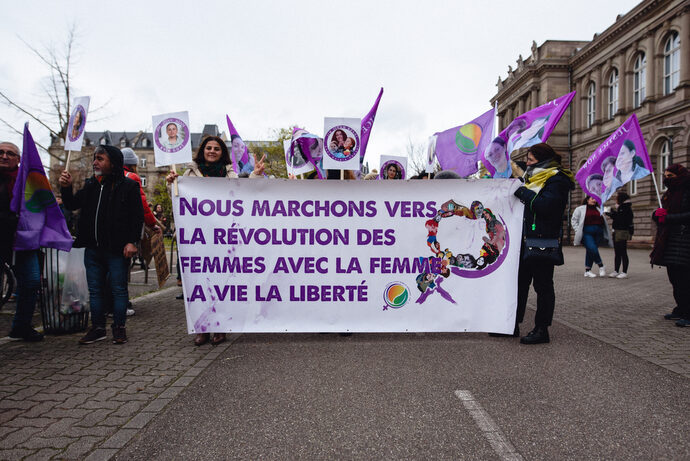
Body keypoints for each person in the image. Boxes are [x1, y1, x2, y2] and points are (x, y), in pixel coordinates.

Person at [166, 135, 265, 345]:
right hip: (198, 239)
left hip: (223, 239)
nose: (212, 151)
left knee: (221, 284)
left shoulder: (230, 174)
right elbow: (178, 201)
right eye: (208, 148)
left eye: (216, 149)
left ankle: (220, 327)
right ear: (202, 150)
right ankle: (202, 327)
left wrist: (255, 175)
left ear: (222, 153)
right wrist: (171, 185)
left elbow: (244, 194)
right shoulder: (189, 173)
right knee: (200, 284)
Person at [59, 145, 144, 345]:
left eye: (100, 159)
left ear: (113, 163)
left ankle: (119, 327)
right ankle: (98, 328)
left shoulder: (129, 186)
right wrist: (66, 186)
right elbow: (71, 204)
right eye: (95, 159)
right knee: (95, 291)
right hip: (93, 249)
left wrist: (132, 242)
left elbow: (137, 217)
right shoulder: (91, 185)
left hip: (117, 249)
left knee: (118, 290)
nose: (95, 162)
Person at [512, 143, 575, 344]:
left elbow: (545, 206)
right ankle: (512, 324)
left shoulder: (557, 179)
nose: (527, 163)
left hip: (542, 240)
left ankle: (542, 329)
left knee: (543, 286)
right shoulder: (532, 178)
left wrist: (522, 191)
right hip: (524, 240)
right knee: (519, 285)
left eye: (530, 160)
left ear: (542, 159)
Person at [0, 141, 43, 342]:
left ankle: (21, 327)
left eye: (10, 153)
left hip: (24, 240)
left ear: (18, 159)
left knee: (32, 281)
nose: (4, 156)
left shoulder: (26, 181)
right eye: (1, 152)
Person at [122, 148, 162, 316]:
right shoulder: (132, 178)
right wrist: (153, 224)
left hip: (107, 231)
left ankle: (108, 304)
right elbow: (143, 206)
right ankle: (121, 303)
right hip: (127, 229)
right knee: (122, 269)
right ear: (133, 165)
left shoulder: (106, 177)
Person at [650, 164, 690, 327]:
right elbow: (662, 212)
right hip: (670, 240)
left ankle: (688, 312)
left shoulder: (687, 190)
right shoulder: (670, 193)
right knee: (674, 278)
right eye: (665, 175)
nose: (667, 179)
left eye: (670, 176)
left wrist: (668, 218)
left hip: (685, 240)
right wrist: (656, 214)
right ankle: (681, 308)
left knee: (684, 279)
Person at [572, 195, 613, 277]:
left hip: (598, 233)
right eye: (592, 199)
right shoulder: (580, 209)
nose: (594, 200)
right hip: (587, 233)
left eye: (595, 199)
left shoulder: (599, 209)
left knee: (590, 250)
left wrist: (609, 211)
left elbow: (605, 219)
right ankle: (601, 266)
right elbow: (574, 220)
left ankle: (587, 270)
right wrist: (577, 230)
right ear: (587, 200)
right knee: (592, 248)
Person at [605, 191, 634, 278]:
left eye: (617, 197)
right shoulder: (621, 208)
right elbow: (618, 217)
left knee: (622, 252)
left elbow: (621, 220)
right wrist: (612, 213)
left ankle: (624, 272)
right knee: (617, 252)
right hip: (617, 231)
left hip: (622, 232)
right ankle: (616, 270)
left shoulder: (626, 208)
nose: (615, 199)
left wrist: (612, 214)